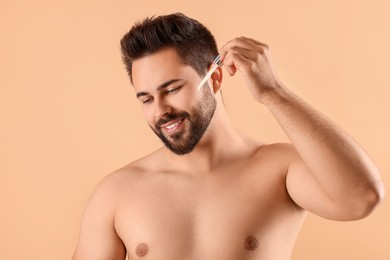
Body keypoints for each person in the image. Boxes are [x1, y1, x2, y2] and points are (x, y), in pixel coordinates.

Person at [72, 13, 384, 260]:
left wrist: (273, 92)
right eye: (146, 98)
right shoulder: (116, 193)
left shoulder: (280, 170)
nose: (161, 110)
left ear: (215, 77)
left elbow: (361, 197)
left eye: (171, 89)